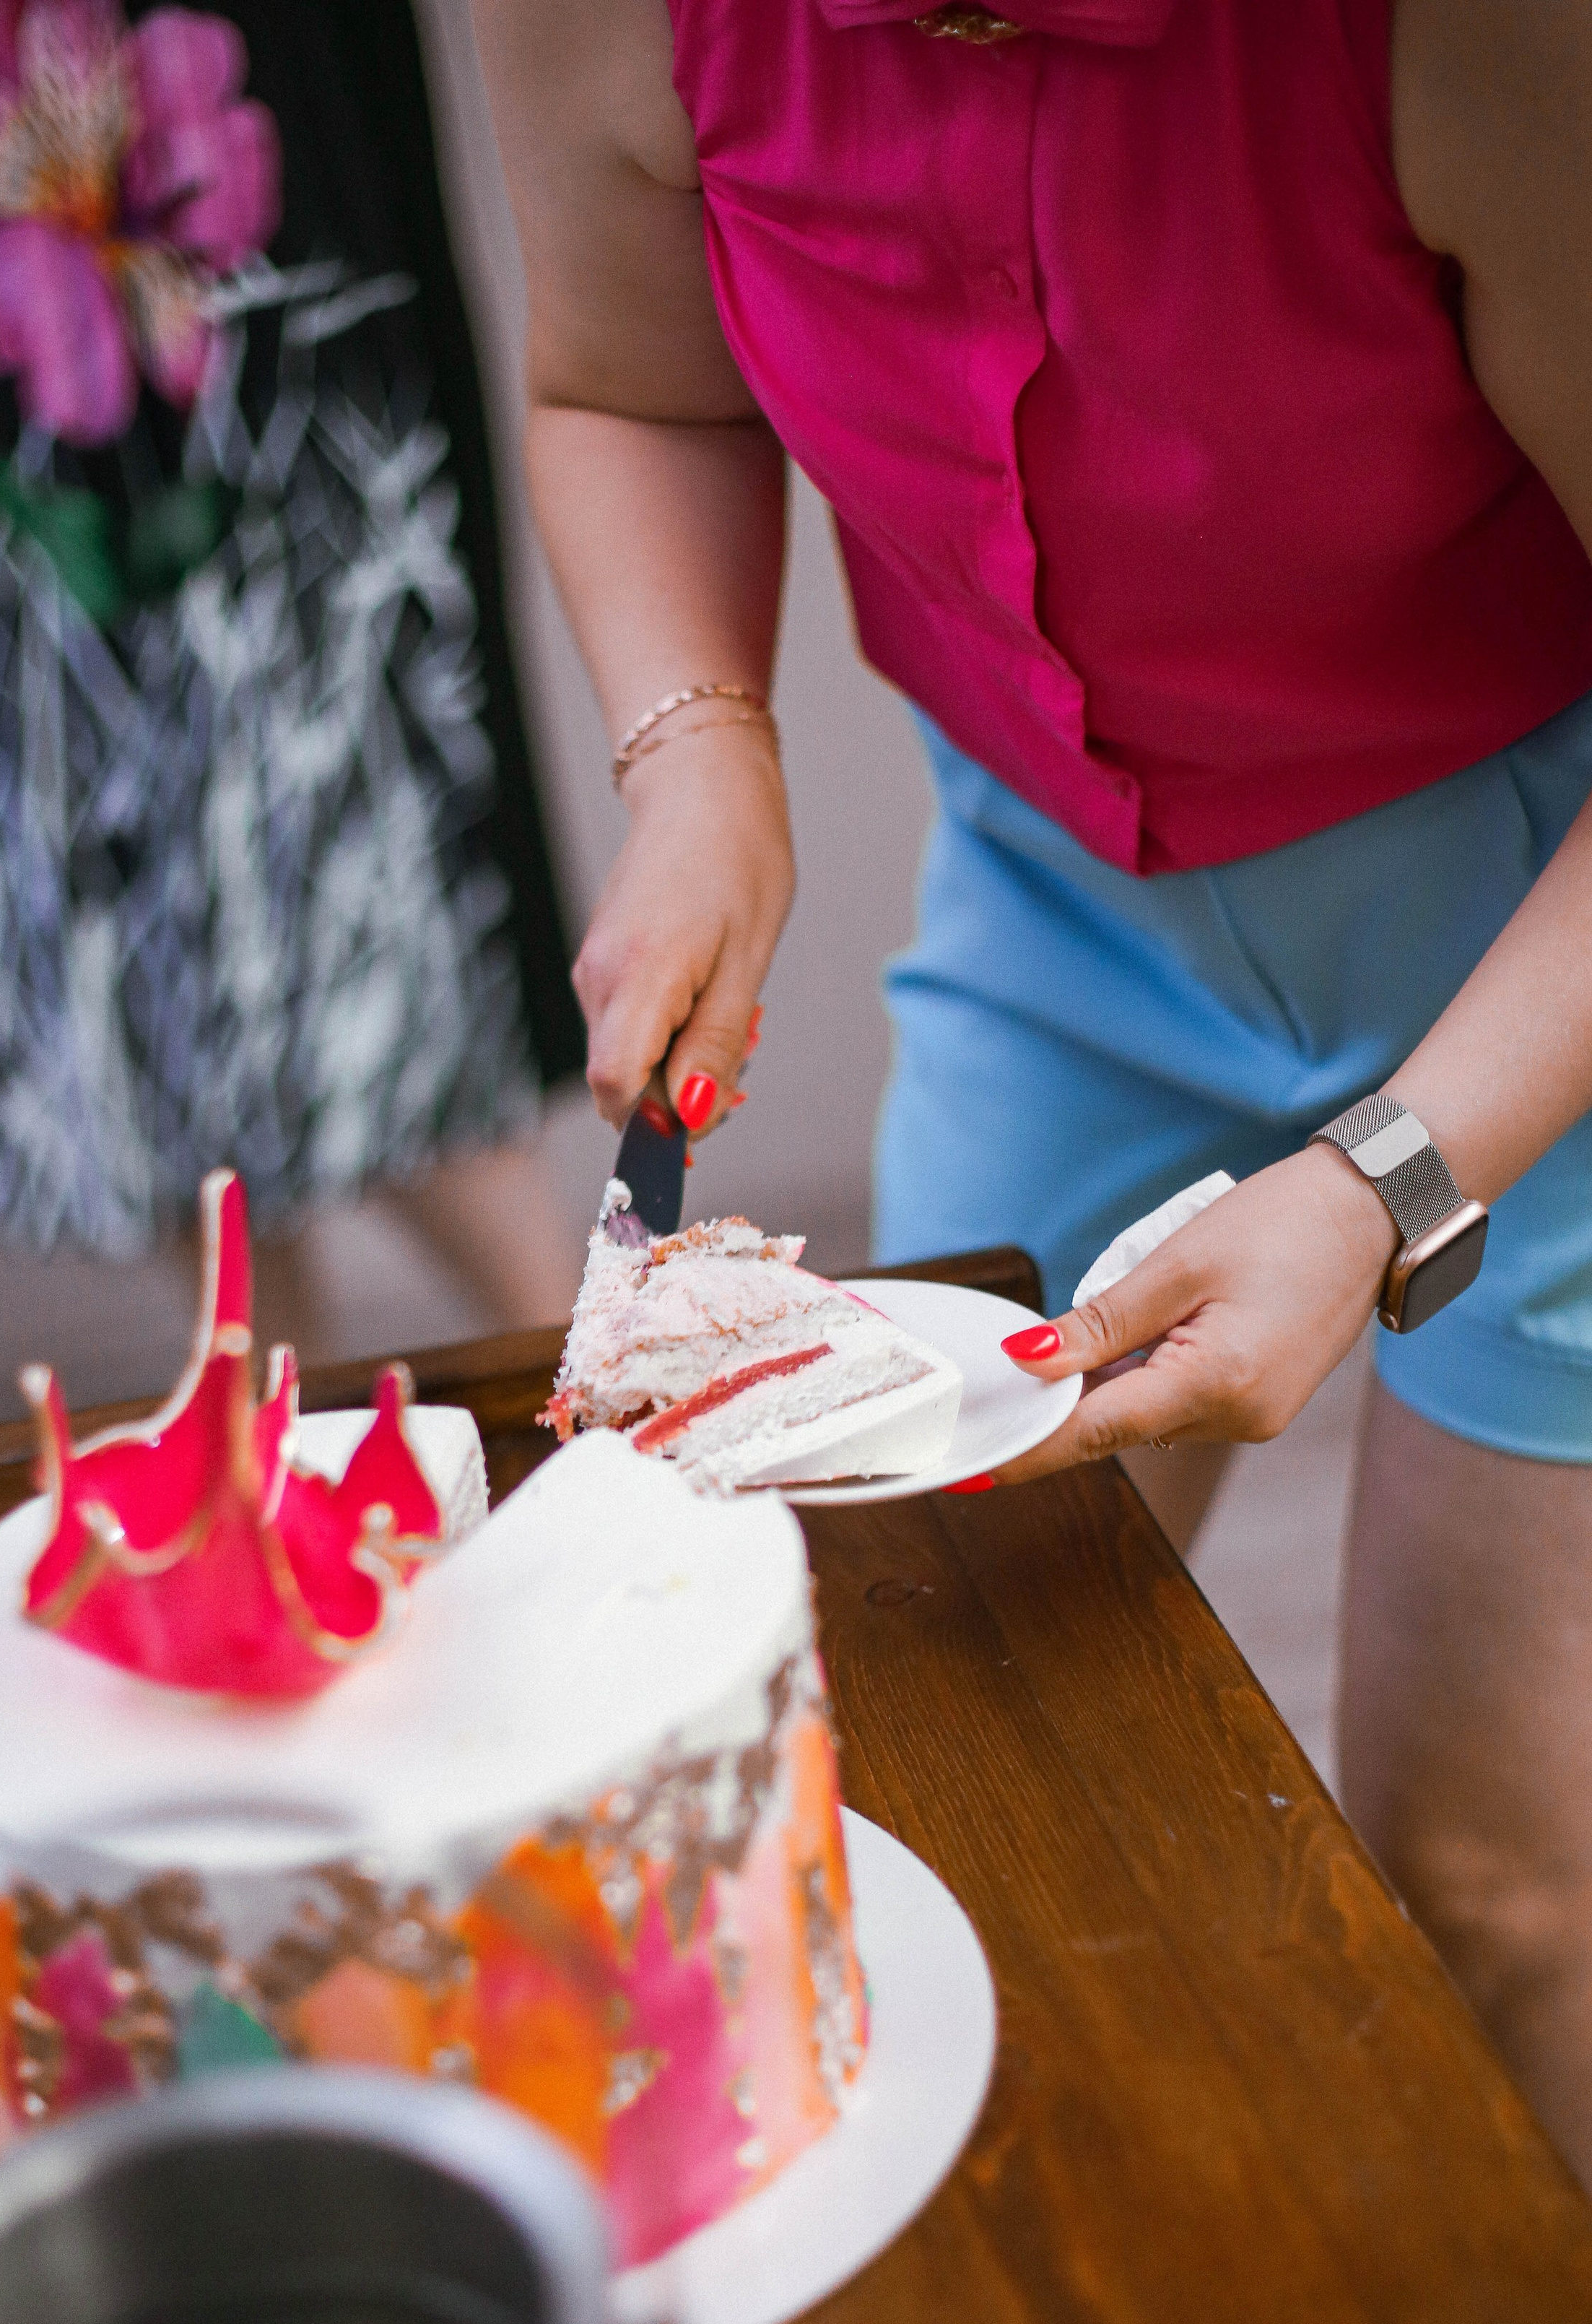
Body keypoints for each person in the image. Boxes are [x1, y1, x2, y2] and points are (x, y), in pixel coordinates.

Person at [475, 0, 1592, 2177]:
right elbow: (618, 376)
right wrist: (704, 748)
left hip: (1545, 918)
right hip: (1059, 929)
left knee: (1499, 1880)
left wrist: (1382, 1180)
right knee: (941, 1789)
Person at [0, 0, 584, 1426]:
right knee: (109, 920)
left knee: (317, 871)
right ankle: (283, 1420)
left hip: (161, 168)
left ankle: (587, 1377)